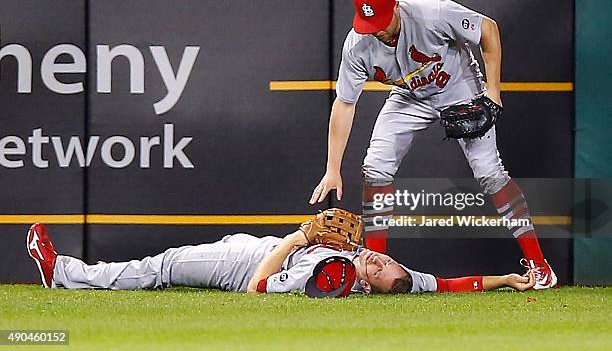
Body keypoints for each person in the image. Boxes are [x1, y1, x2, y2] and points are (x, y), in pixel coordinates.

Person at [309, 0, 556, 289]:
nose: (376, 30)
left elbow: (488, 30)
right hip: (409, 96)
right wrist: (333, 168)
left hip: (459, 87)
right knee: (376, 168)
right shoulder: (357, 45)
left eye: (381, 21)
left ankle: (540, 265)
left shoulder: (433, 12)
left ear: (396, 6)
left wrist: (492, 93)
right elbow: (345, 105)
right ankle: (375, 273)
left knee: (490, 173)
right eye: (368, 23)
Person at [26, 222, 535, 295]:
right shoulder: (389, 270)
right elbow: (447, 284)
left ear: (367, 287)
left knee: (161, 266)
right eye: (387, 264)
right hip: (253, 243)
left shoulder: (331, 277)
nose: (378, 264)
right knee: (169, 260)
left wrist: (294, 240)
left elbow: (260, 288)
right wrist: (507, 278)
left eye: (377, 273)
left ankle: (62, 273)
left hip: (248, 265)